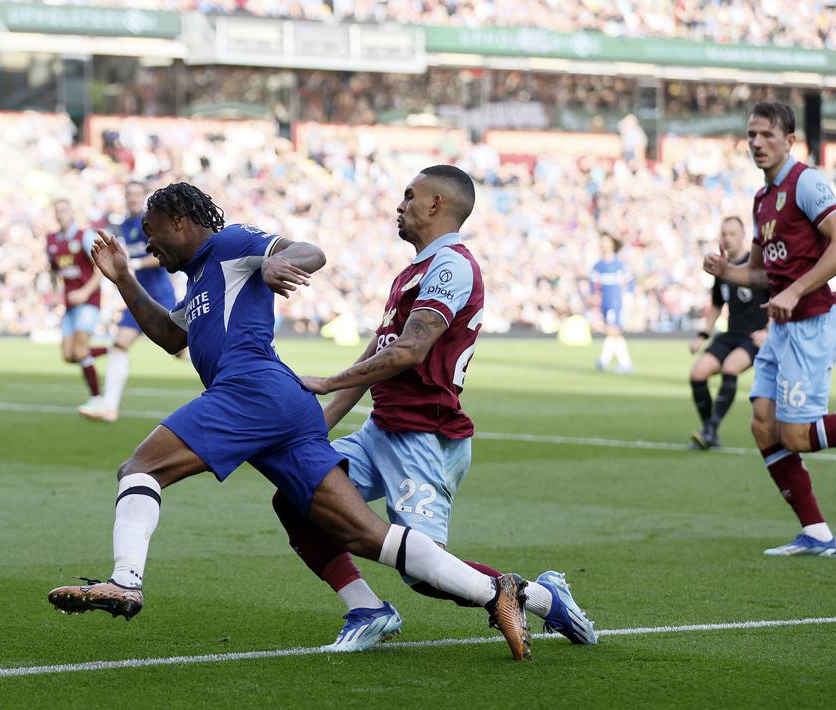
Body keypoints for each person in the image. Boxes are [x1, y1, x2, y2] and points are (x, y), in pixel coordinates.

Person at [47, 183, 534, 661]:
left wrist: (277, 261)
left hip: (250, 391)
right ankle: (494, 592)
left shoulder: (232, 242)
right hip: (283, 405)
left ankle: (125, 581)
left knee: (141, 468)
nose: (148, 244)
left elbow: (310, 251)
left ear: (179, 220)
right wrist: (124, 280)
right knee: (365, 534)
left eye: (151, 232)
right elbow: (171, 336)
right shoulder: (198, 277)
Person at [283, 165, 595, 652]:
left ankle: (543, 597)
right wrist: (316, 429)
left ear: (435, 205)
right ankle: (367, 609)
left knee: (425, 575)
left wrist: (325, 383)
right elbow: (376, 354)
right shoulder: (413, 270)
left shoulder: (451, 265)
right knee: (296, 496)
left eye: (409, 196)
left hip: (422, 437)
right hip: (381, 430)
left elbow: (408, 352)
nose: (400, 205)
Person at [704, 101, 836, 557]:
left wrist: (795, 291)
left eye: (766, 135)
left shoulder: (807, 182)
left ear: (789, 140)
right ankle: (817, 533)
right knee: (763, 425)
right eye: (751, 135)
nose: (757, 143)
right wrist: (727, 272)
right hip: (782, 328)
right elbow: (764, 273)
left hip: (812, 324)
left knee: (797, 435)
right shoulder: (763, 199)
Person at [79, 181, 178, 423]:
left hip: (161, 295)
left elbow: (166, 255)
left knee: (186, 349)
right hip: (137, 295)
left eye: (136, 194)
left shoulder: (153, 222)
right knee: (119, 344)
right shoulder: (123, 226)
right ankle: (109, 408)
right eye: (129, 194)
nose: (132, 198)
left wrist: (134, 264)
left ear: (144, 197)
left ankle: (232, 388)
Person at [688, 216, 769, 450]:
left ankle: (711, 430)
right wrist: (702, 334)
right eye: (724, 234)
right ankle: (709, 430)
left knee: (730, 368)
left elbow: (776, 297)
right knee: (697, 373)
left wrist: (767, 331)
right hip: (731, 334)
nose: (728, 238)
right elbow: (716, 304)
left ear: (744, 236)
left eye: (733, 234)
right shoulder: (722, 268)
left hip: (755, 336)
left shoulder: (755, 266)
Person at [45, 199, 104, 409]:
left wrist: (84, 292)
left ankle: (97, 399)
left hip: (89, 301)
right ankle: (111, 350)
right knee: (69, 355)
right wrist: (54, 293)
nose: (61, 214)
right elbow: (54, 271)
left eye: (64, 210)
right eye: (57, 211)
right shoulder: (51, 240)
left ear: (72, 212)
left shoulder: (84, 236)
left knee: (79, 351)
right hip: (70, 304)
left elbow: (100, 268)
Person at [591, 235, 634, 373]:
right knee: (613, 332)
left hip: (615, 301)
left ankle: (605, 360)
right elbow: (593, 285)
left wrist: (628, 296)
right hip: (604, 301)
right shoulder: (598, 265)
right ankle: (622, 363)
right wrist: (594, 297)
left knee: (612, 331)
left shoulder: (619, 264)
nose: (603, 245)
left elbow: (630, 281)